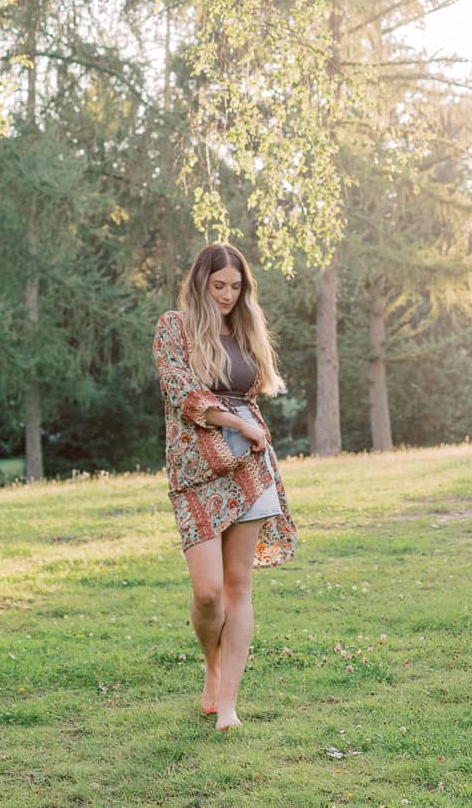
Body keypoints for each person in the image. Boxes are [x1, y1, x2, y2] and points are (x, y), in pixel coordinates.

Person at [152, 241, 297, 732]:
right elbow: (181, 392)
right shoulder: (174, 327)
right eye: (218, 286)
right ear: (200, 282)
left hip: (249, 465)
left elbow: (254, 387)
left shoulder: (246, 327)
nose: (227, 295)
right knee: (209, 592)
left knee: (238, 587)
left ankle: (228, 704)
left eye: (236, 287)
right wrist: (234, 421)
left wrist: (252, 429)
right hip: (195, 468)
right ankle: (210, 665)